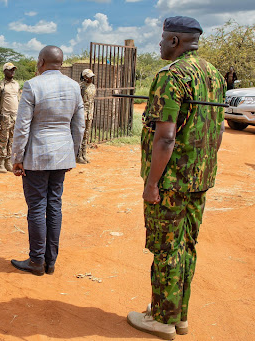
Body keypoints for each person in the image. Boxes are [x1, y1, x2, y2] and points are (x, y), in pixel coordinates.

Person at [127, 16, 226, 340]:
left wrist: (152, 183)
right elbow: (217, 131)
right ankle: (178, 315)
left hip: (171, 183)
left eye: (162, 38)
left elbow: (165, 137)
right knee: (187, 245)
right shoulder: (213, 75)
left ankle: (163, 320)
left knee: (167, 248)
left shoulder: (172, 76)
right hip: (199, 179)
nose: (158, 44)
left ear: (174, 41)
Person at [10, 46, 85, 276]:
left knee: (36, 207)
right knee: (54, 205)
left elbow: (22, 126)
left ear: (41, 61)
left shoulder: (34, 85)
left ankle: (36, 261)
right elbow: (79, 125)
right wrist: (71, 153)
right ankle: (50, 262)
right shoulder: (74, 86)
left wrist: (17, 158)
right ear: (60, 63)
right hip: (61, 154)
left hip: (37, 155)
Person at [0, 62, 21, 173]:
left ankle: (8, 161)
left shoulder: (16, 84)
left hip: (15, 116)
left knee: (12, 141)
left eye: (13, 70)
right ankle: (0, 163)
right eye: (10, 70)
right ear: (4, 71)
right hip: (4, 116)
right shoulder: (0, 85)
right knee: (3, 140)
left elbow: (18, 100)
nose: (12, 71)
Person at [76, 68, 96, 164]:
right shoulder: (80, 87)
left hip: (89, 114)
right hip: (82, 113)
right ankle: (78, 155)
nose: (91, 78)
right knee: (80, 134)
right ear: (84, 77)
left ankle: (84, 154)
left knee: (86, 134)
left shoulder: (92, 87)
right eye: (89, 76)